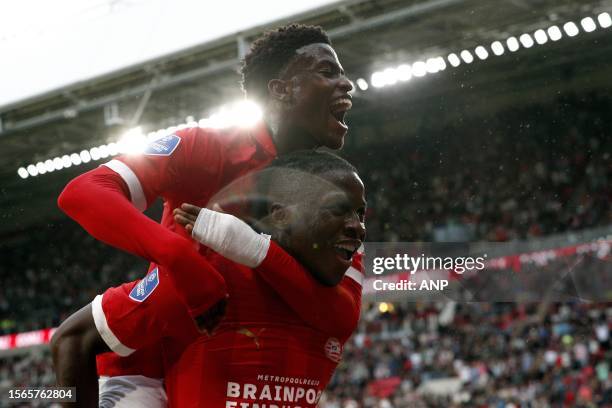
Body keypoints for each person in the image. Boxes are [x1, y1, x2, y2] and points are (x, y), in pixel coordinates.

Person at [54, 23, 355, 405]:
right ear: (280, 89)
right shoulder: (207, 148)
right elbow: (83, 192)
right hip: (153, 366)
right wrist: (179, 259)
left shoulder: (335, 189)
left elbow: (341, 313)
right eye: (328, 72)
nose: (348, 84)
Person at [52, 151, 366, 407]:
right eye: (338, 210)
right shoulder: (209, 282)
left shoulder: (347, 266)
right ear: (282, 215)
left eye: (361, 214)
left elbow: (341, 317)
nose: (358, 227)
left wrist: (252, 247)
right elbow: (73, 338)